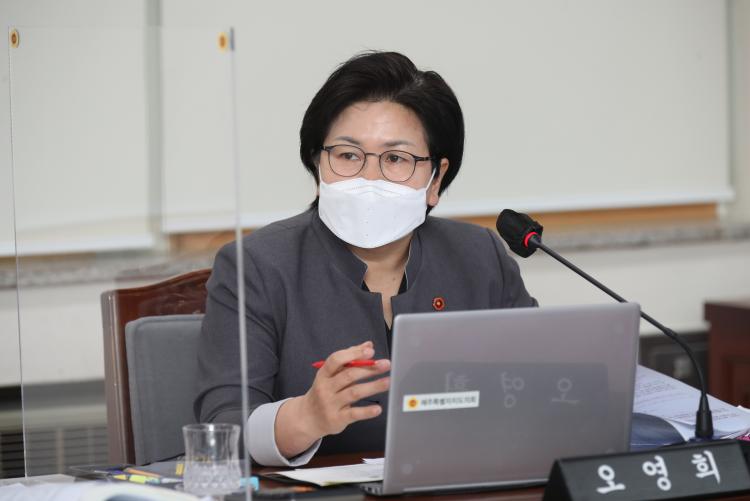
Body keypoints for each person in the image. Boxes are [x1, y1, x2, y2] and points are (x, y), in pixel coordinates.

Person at [194, 51, 537, 467]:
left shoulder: (479, 256)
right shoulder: (257, 266)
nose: (369, 179)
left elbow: (540, 385)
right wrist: (305, 418)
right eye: (347, 156)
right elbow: (222, 432)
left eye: (395, 159)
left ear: (436, 179)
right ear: (317, 164)